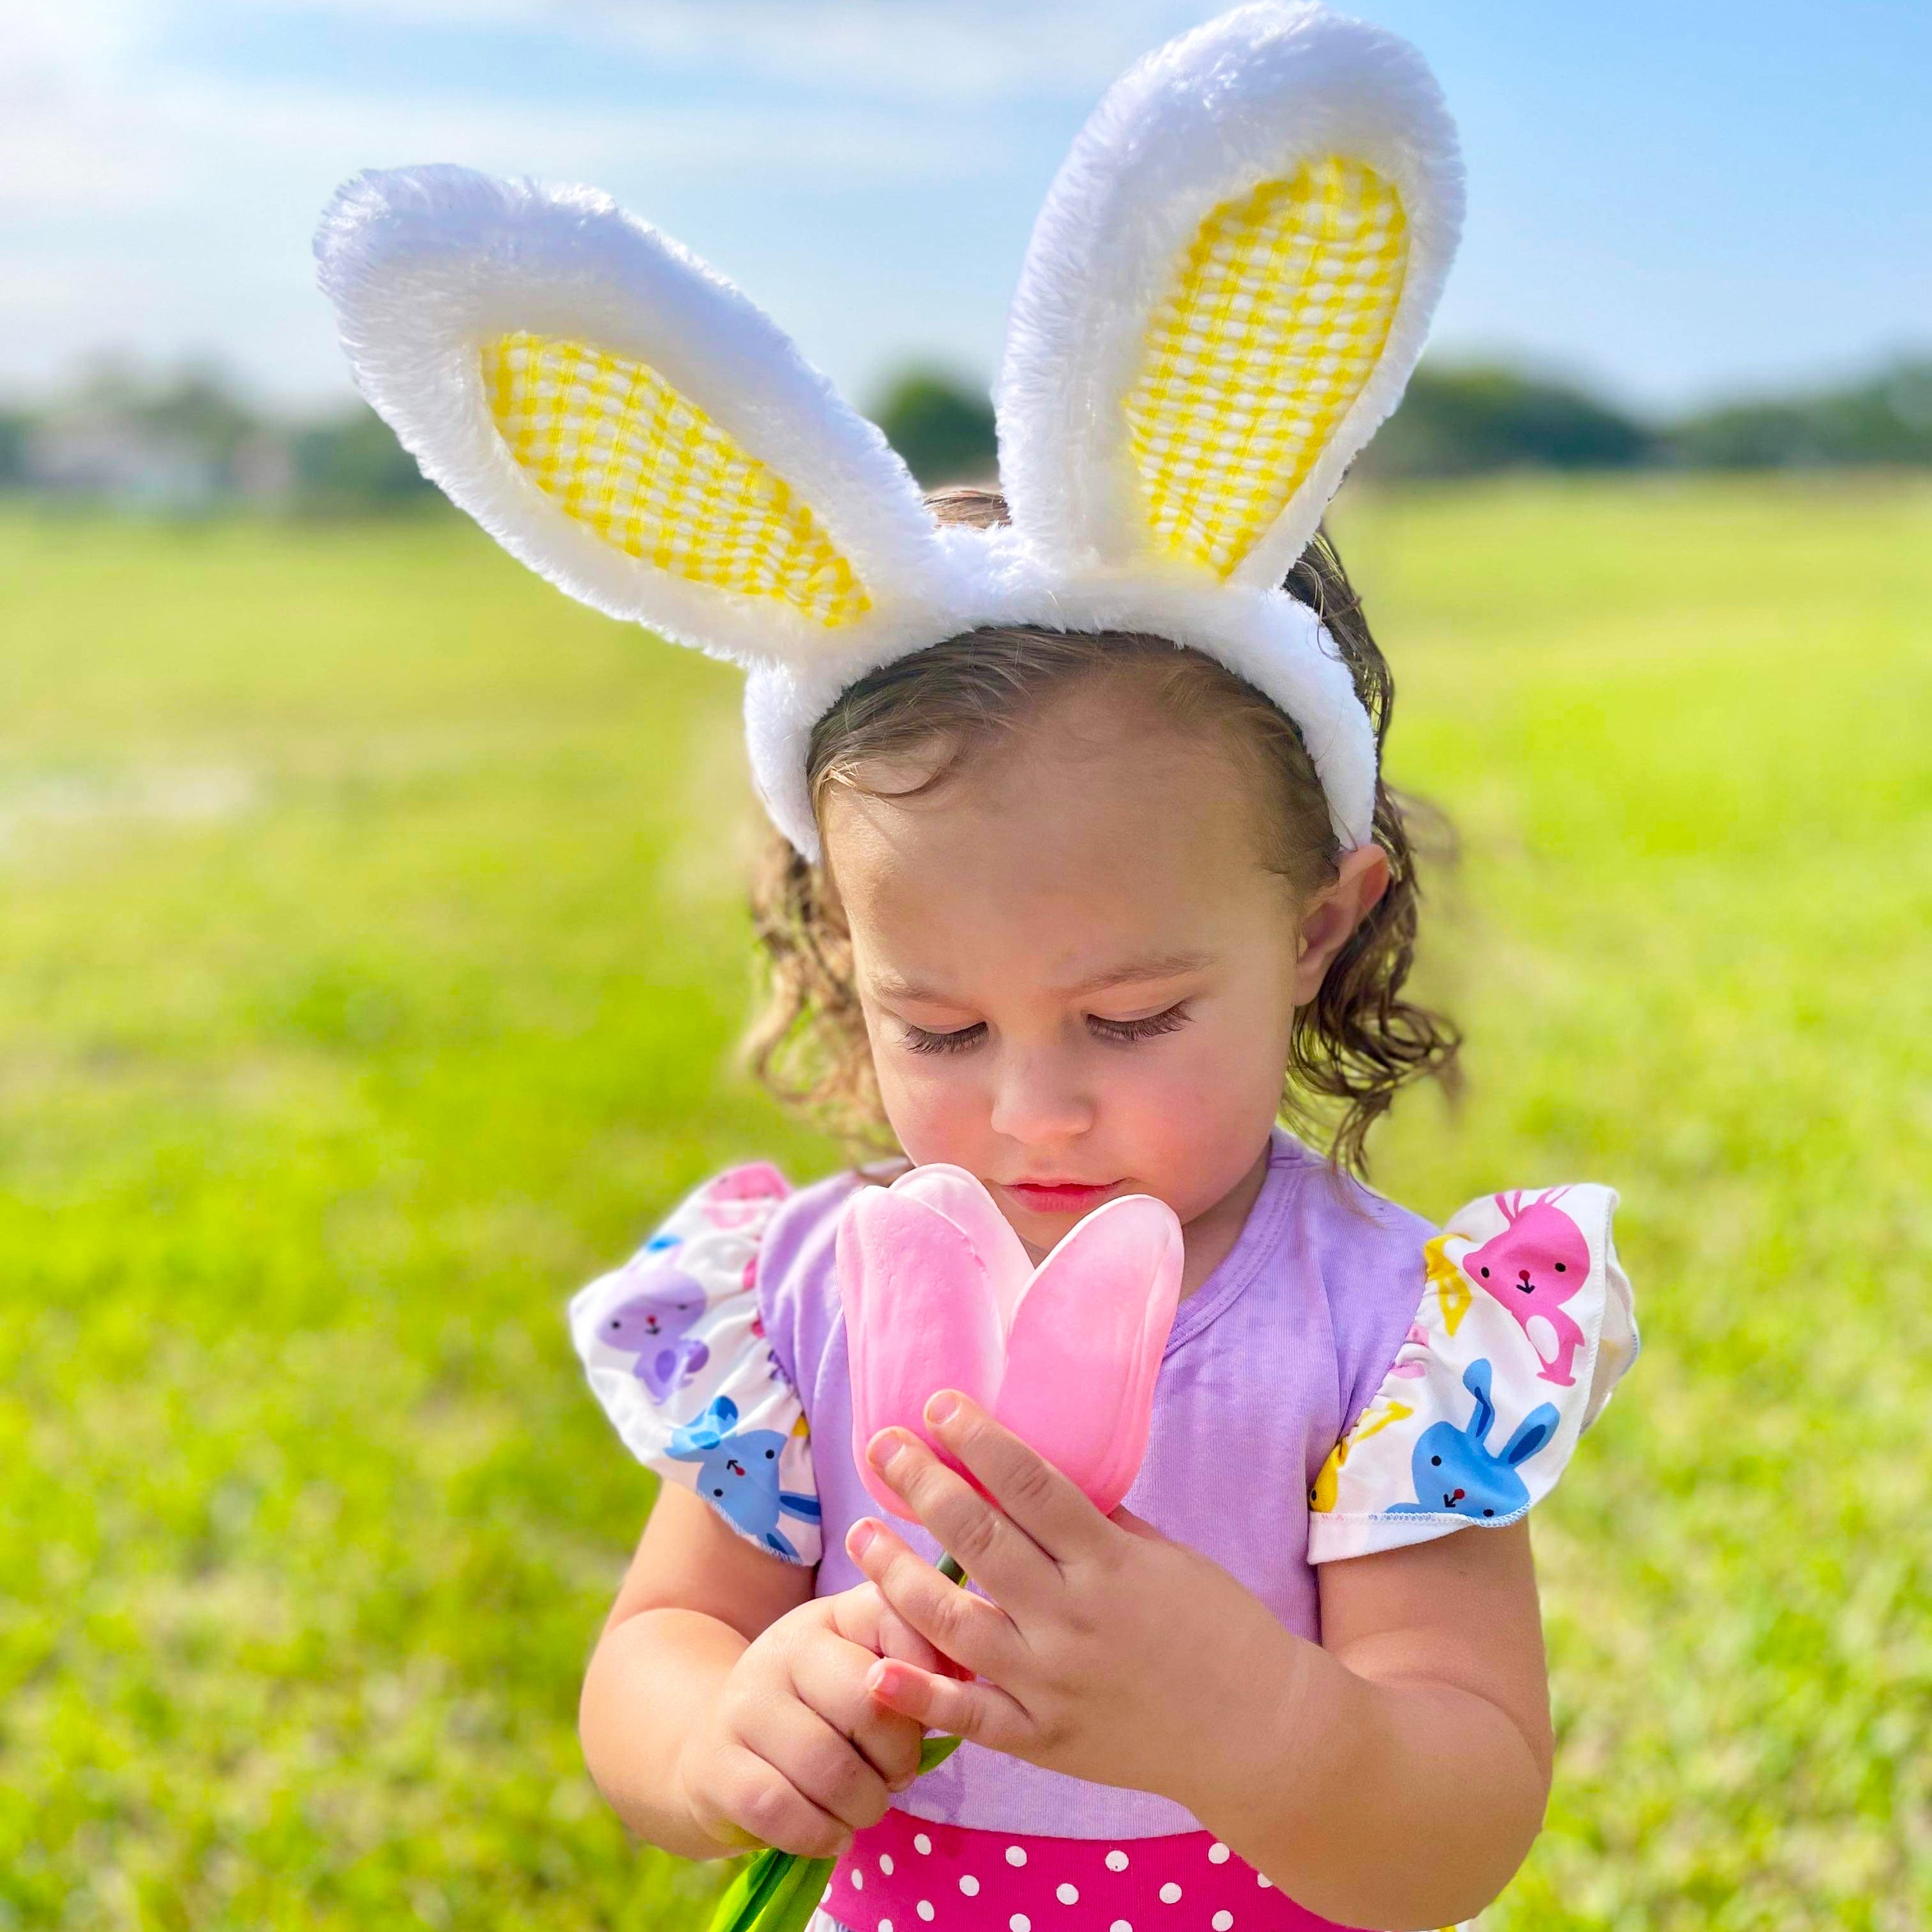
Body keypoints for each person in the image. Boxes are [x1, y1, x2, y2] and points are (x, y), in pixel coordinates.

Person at [315, 9, 1637, 1927]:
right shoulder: (801, 1300)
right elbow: (656, 1656)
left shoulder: (1386, 1336)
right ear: (841, 959)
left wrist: (1248, 1720)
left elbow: (1457, 1825)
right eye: (935, 1024)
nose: (1034, 1109)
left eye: (1130, 1017)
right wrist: (726, 1729)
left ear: (1317, 928)